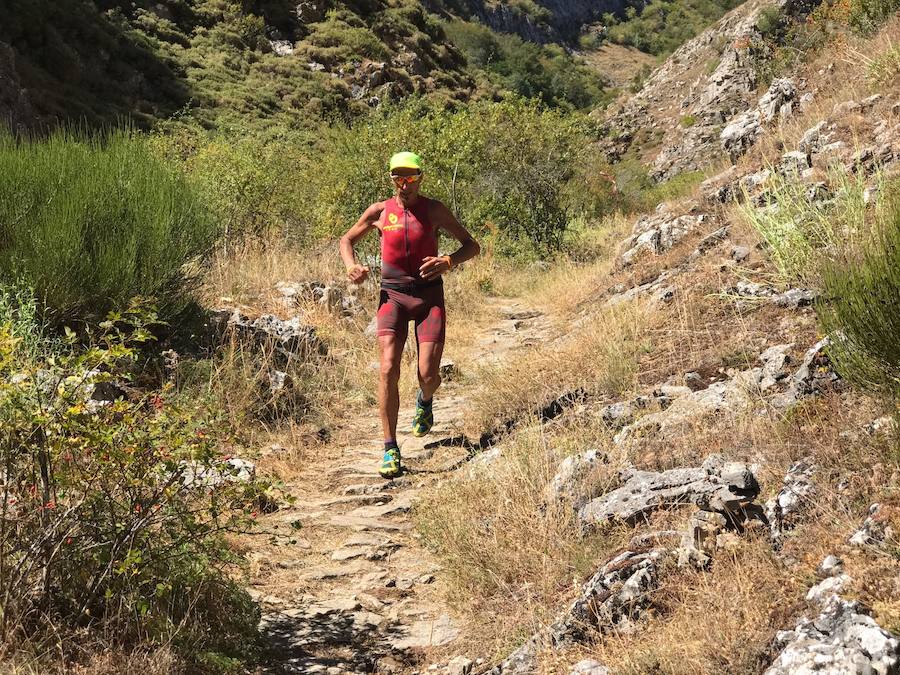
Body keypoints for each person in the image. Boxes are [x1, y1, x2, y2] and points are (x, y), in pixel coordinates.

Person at [340, 152, 480, 479]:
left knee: (428, 374)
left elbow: (472, 246)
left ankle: (425, 398)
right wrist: (351, 266)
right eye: (397, 178)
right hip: (393, 297)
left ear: (420, 177)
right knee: (388, 367)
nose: (404, 184)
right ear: (391, 179)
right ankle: (390, 448)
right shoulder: (379, 211)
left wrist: (448, 261)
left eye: (410, 177)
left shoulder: (434, 209)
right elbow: (346, 239)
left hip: (429, 296)